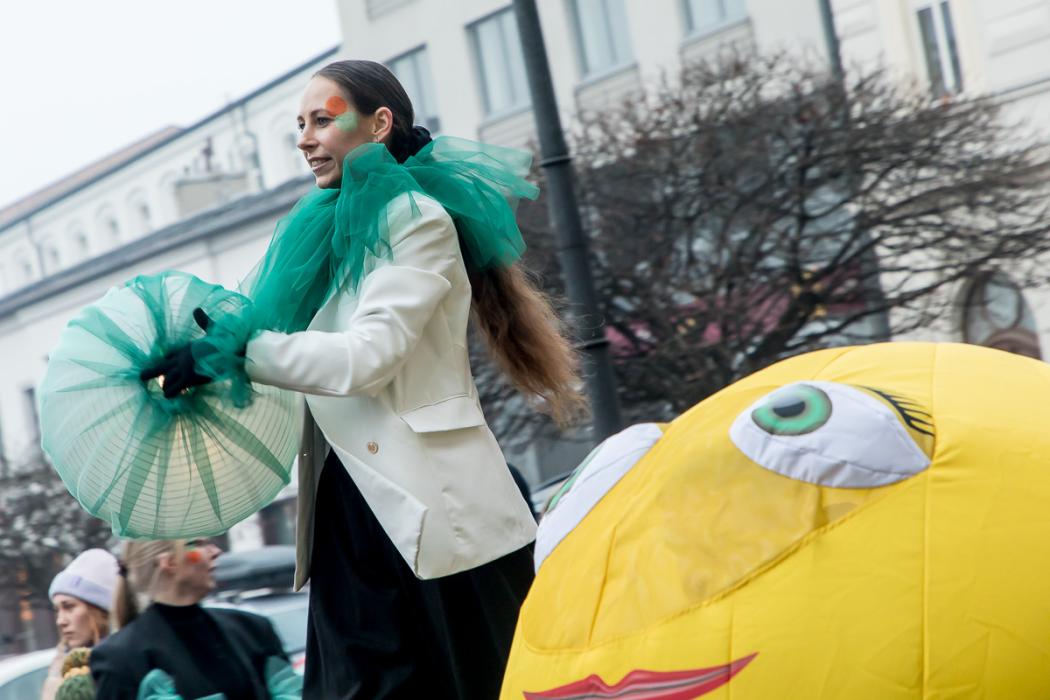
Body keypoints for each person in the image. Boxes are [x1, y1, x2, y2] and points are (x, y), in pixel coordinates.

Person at [149, 59, 585, 698]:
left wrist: (241, 353)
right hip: (350, 508)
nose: (305, 139)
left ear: (379, 124)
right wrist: (202, 361)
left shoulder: (414, 220)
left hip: (431, 510)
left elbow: (364, 358)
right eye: (300, 125)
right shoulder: (325, 230)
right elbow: (289, 353)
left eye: (322, 121)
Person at [89, 539, 294, 699]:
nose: (215, 551)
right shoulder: (121, 657)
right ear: (169, 562)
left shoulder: (253, 629)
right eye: (198, 543)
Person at [42, 549, 119, 700]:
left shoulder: (124, 666)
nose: (60, 621)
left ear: (99, 611)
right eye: (57, 610)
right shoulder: (61, 667)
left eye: (69, 607)